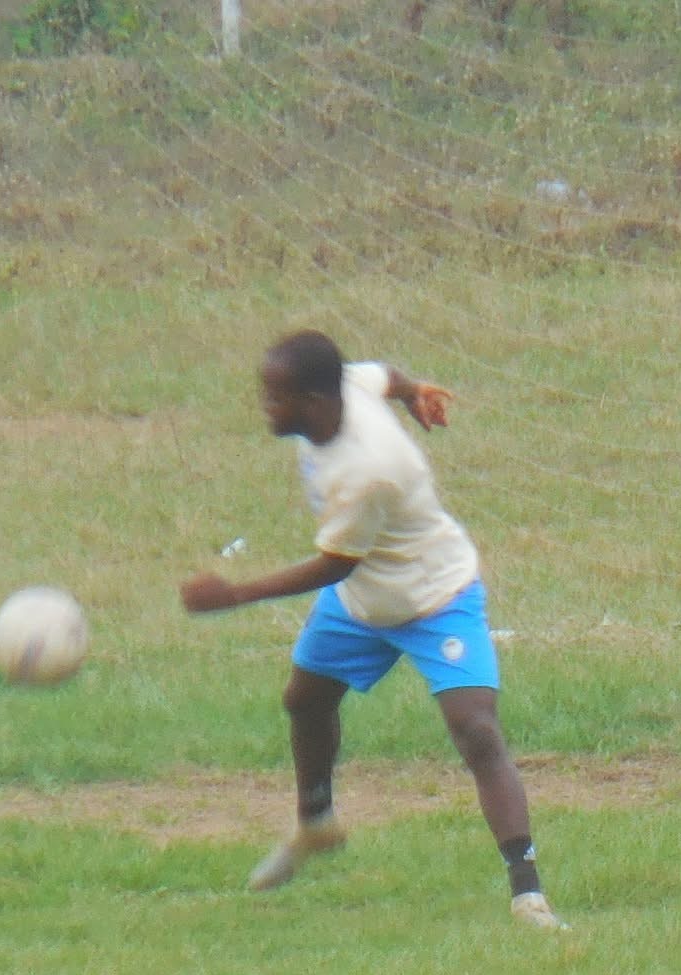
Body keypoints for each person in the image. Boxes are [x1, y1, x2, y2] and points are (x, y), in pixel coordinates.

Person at [179, 328, 566, 931]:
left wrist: (234, 595)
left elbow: (335, 563)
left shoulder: (368, 471)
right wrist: (413, 392)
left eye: (276, 397)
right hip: (361, 602)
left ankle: (528, 893)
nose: (266, 407)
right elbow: (381, 373)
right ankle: (316, 823)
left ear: (313, 400)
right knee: (304, 701)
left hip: (435, 597)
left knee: (476, 731)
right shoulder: (347, 387)